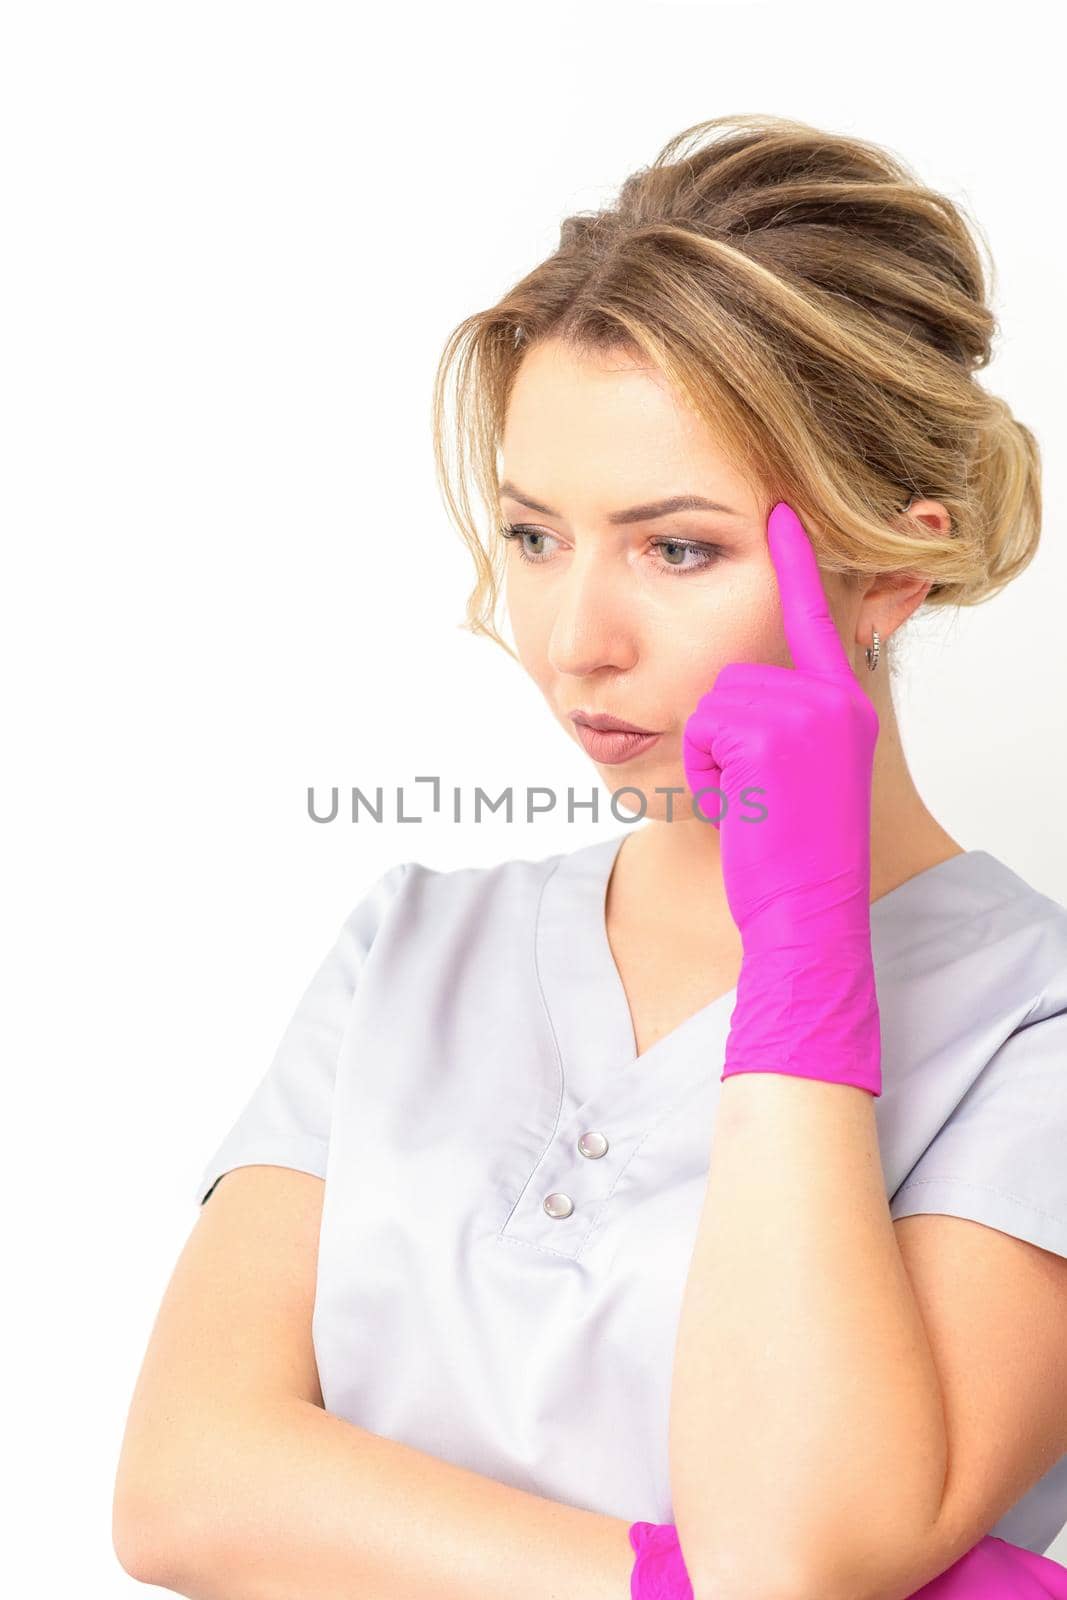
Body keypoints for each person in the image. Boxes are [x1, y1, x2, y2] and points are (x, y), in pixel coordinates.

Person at [125, 114, 1067, 1598]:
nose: (574, 642)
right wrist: (667, 1583)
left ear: (887, 572)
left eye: (675, 547)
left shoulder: (1038, 1033)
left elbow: (806, 1542)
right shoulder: (412, 950)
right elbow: (180, 1488)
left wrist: (808, 955)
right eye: (534, 535)